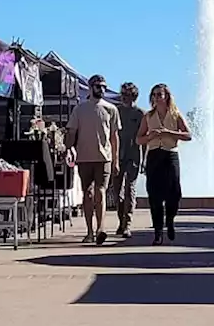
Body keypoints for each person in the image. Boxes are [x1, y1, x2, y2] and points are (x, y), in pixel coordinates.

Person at [66, 74, 120, 246]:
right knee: (87, 194)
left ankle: (100, 229)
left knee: (100, 191)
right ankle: (89, 231)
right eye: (98, 86)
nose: (101, 89)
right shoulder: (79, 109)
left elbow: (114, 136)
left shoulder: (111, 109)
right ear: (90, 88)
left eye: (103, 86)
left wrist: (116, 159)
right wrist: (68, 147)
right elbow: (72, 132)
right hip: (84, 157)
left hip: (104, 158)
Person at [138, 83, 191, 245]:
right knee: (154, 195)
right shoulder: (148, 116)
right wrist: (149, 137)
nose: (156, 98)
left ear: (166, 96)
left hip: (170, 155)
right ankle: (158, 232)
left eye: (159, 95)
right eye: (153, 95)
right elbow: (138, 139)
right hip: (154, 155)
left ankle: (170, 220)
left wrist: (169, 132)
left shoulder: (175, 114)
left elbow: (188, 135)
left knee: (174, 193)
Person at [108, 82, 146, 238]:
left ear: (134, 96)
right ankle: (121, 220)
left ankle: (127, 223)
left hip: (133, 156)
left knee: (130, 189)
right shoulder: (115, 111)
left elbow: (144, 138)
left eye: (128, 94)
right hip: (117, 156)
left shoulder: (140, 114)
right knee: (117, 192)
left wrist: (145, 160)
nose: (124, 97)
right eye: (122, 94)